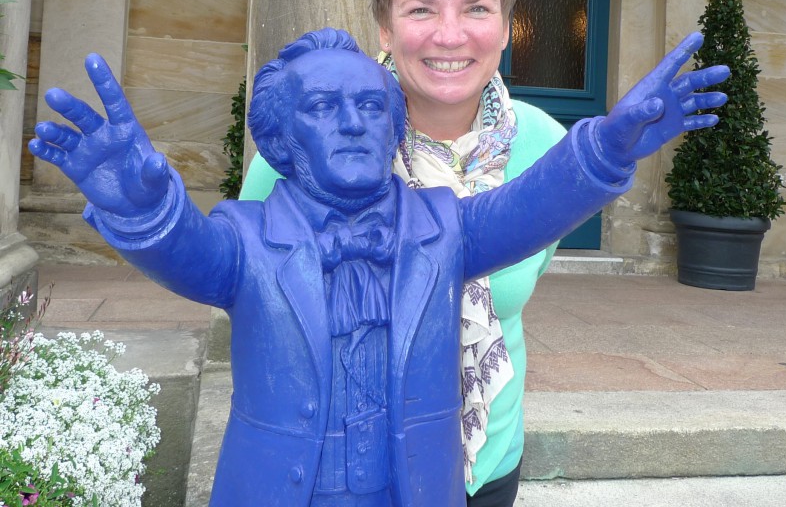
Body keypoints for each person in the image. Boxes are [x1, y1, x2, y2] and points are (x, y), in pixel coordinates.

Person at [30, 27, 727, 506]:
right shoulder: (246, 237)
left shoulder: (444, 226)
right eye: (323, 109)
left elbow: (532, 205)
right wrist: (146, 207)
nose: (355, 121)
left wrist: (607, 146)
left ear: (395, 127)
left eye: (369, 105)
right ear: (280, 138)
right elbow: (186, 252)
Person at [239, 0, 630, 502]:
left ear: (505, 27)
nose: (450, 35)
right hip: (335, 472)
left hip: (482, 463)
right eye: (422, 8)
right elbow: (252, 298)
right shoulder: (303, 146)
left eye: (476, 7)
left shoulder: (548, 149)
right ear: (385, 30)